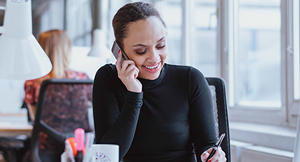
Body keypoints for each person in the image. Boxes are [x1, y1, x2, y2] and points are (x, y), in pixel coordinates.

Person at [93, 2, 226, 162]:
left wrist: (214, 157)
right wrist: (134, 95)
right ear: (120, 51)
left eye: (161, 45)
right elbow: (107, 156)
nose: (155, 58)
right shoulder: (107, 79)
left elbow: (207, 148)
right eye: (141, 51)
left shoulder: (191, 79)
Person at [23, 29, 92, 161]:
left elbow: (34, 119)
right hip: (77, 150)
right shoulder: (83, 79)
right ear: (67, 50)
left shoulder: (33, 82)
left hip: (45, 151)